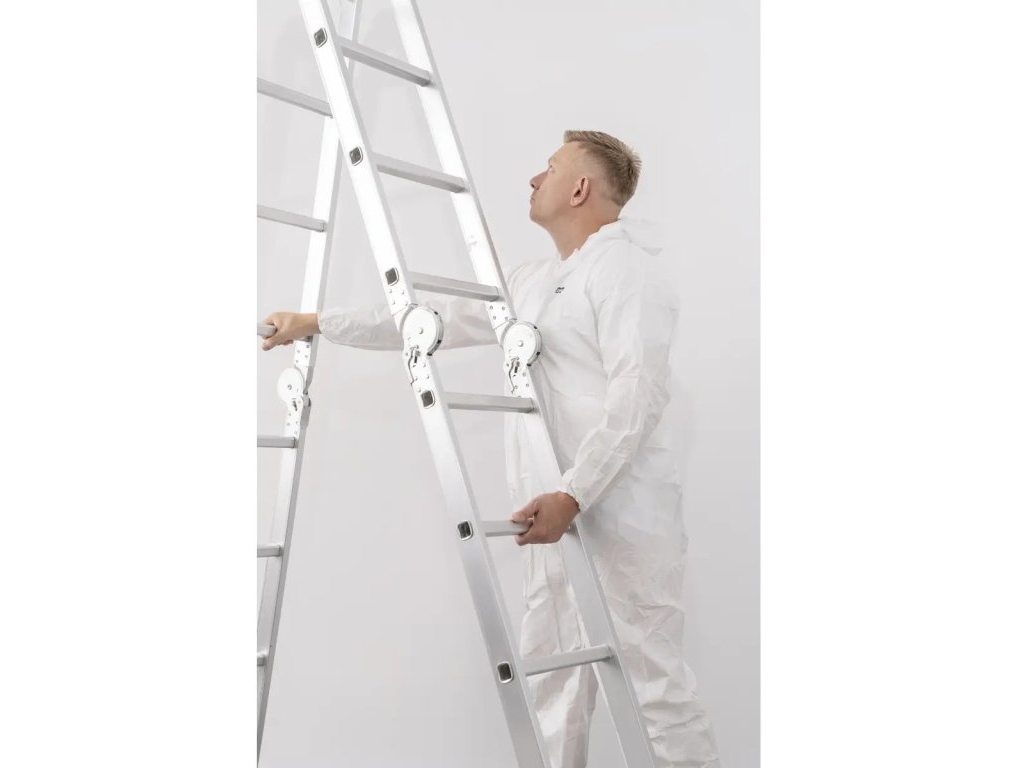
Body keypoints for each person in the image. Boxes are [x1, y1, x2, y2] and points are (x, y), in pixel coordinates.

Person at [261, 130, 721, 768]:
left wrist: (574, 493)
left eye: (550, 168)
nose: (535, 179)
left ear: (580, 189)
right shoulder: (533, 284)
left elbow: (636, 397)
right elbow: (430, 318)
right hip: (551, 522)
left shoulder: (626, 273)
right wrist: (317, 322)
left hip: (618, 521)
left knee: (656, 692)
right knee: (554, 689)